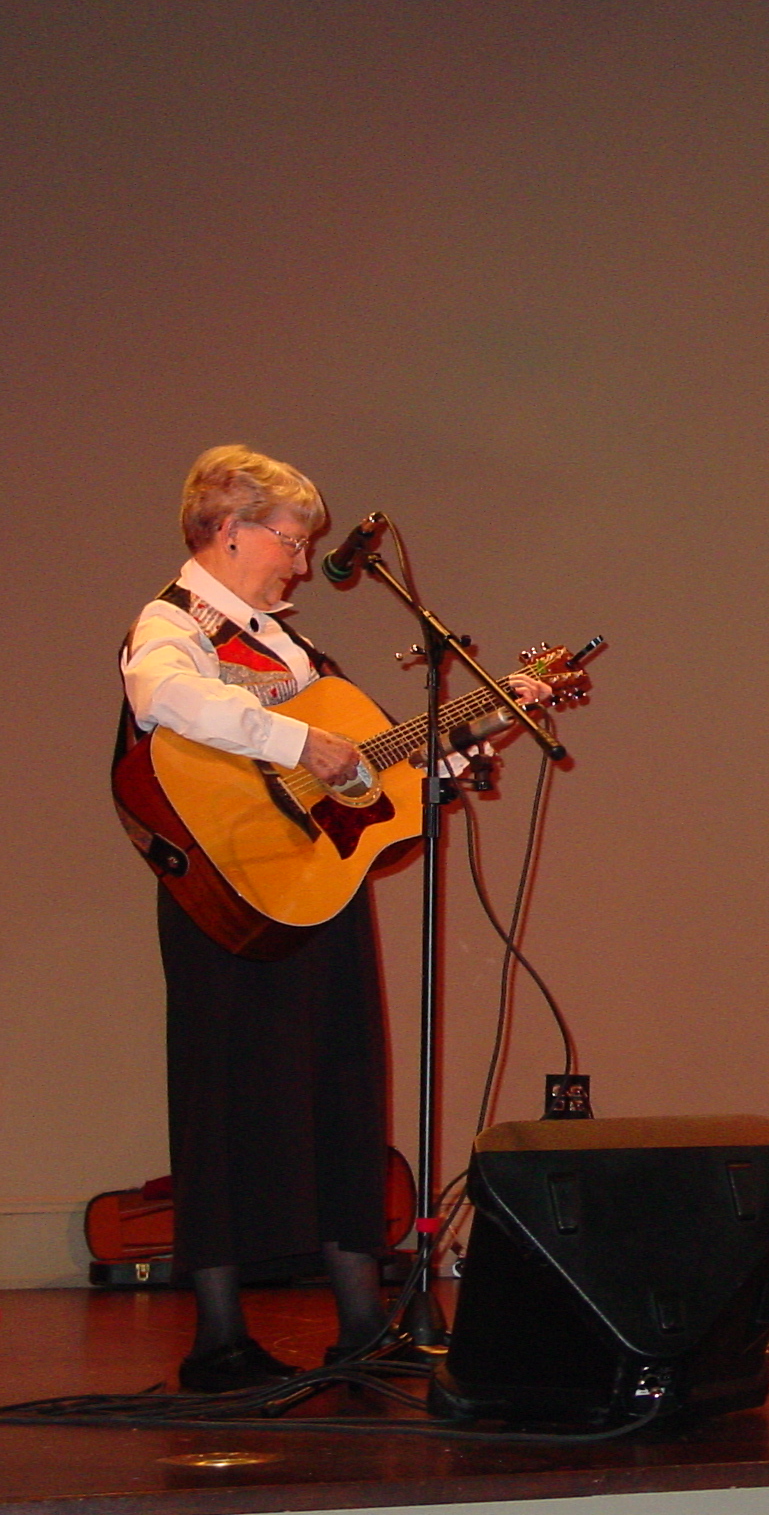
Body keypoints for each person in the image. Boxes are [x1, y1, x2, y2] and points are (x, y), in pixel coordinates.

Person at [119, 445, 546, 1391]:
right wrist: (294, 736)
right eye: (291, 540)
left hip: (315, 895)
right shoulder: (173, 622)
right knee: (225, 1101)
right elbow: (165, 698)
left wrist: (466, 747)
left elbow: (363, 774)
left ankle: (362, 1323)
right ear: (230, 531)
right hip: (223, 904)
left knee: (344, 1093)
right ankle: (218, 1342)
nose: (303, 562)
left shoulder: (293, 651)